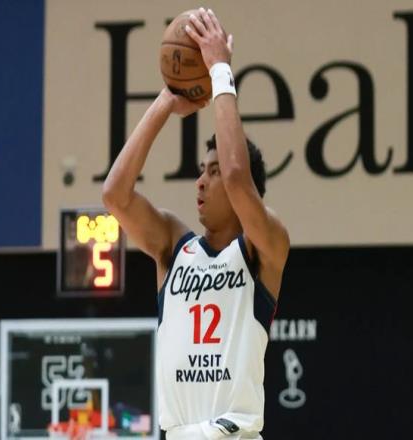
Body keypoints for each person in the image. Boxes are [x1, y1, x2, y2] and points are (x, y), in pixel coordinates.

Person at [103, 8, 289, 440]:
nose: (201, 181)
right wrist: (167, 100)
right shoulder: (174, 246)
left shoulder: (264, 245)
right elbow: (115, 195)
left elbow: (239, 178)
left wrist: (220, 69)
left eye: (212, 171)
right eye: (201, 171)